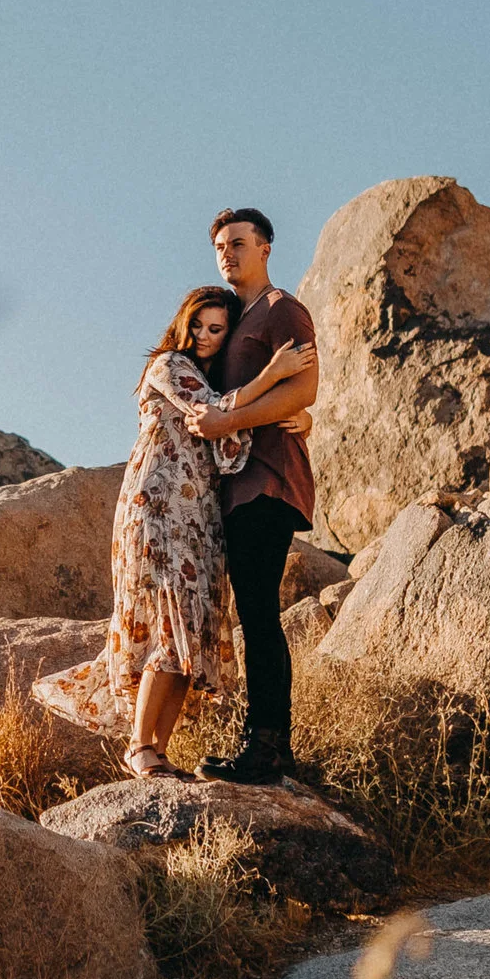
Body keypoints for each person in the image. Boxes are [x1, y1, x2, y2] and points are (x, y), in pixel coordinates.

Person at [32, 285, 315, 779]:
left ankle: (158, 752)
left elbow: (232, 435)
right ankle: (140, 746)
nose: (204, 336)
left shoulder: (209, 377)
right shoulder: (169, 366)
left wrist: (297, 415)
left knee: (192, 627)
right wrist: (274, 377)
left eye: (216, 329)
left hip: (200, 518)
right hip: (158, 510)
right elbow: (214, 415)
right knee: (169, 620)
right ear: (182, 324)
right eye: (197, 325)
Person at [182, 206, 319, 785]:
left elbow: (304, 389)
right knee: (253, 612)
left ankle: (268, 747)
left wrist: (228, 420)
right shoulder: (229, 319)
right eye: (220, 245)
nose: (227, 253)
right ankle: (267, 743)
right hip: (237, 488)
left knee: (259, 612)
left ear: (265, 248)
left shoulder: (282, 308)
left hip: (270, 477)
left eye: (238, 243)